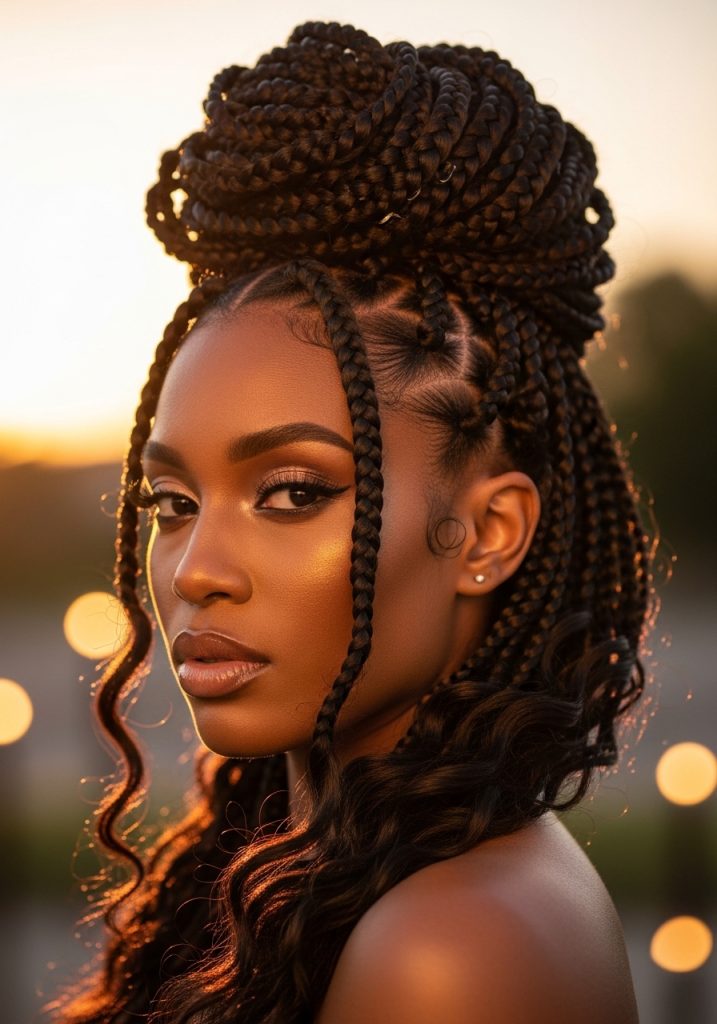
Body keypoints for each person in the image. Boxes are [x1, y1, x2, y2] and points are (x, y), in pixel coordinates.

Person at [51, 20, 650, 1024]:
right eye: (173, 504)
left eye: (292, 491)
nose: (196, 569)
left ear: (490, 531)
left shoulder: (454, 951)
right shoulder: (313, 864)